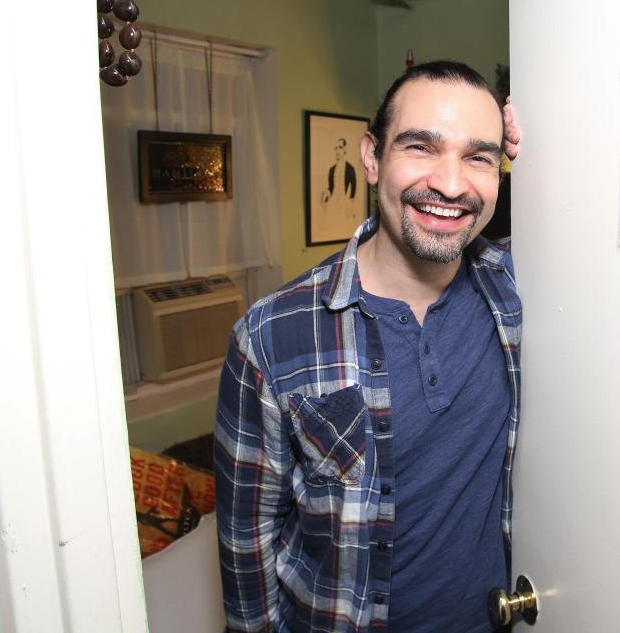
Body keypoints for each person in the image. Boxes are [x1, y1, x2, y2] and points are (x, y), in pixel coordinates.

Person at [215, 60, 522, 633]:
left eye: (478, 156)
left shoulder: (516, 288)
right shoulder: (271, 337)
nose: (452, 185)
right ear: (373, 157)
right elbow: (246, 554)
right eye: (421, 148)